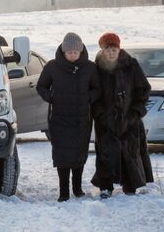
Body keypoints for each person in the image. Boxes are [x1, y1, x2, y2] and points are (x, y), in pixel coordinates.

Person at [36, 33, 101, 202]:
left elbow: (98, 89)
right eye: (69, 51)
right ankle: (63, 191)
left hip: (82, 119)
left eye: (75, 52)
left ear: (80, 51)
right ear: (63, 51)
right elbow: (41, 86)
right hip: (59, 118)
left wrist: (88, 97)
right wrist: (52, 96)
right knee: (62, 155)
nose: (72, 54)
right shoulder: (52, 66)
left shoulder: (89, 67)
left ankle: (77, 188)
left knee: (79, 154)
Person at [91, 32, 153, 199]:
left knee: (130, 151)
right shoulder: (96, 68)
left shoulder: (131, 65)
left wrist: (135, 113)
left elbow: (144, 90)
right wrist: (101, 115)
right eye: (107, 49)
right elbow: (93, 95)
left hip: (129, 118)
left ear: (119, 49)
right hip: (105, 120)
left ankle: (131, 184)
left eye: (114, 49)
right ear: (102, 50)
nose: (111, 52)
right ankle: (106, 186)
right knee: (106, 153)